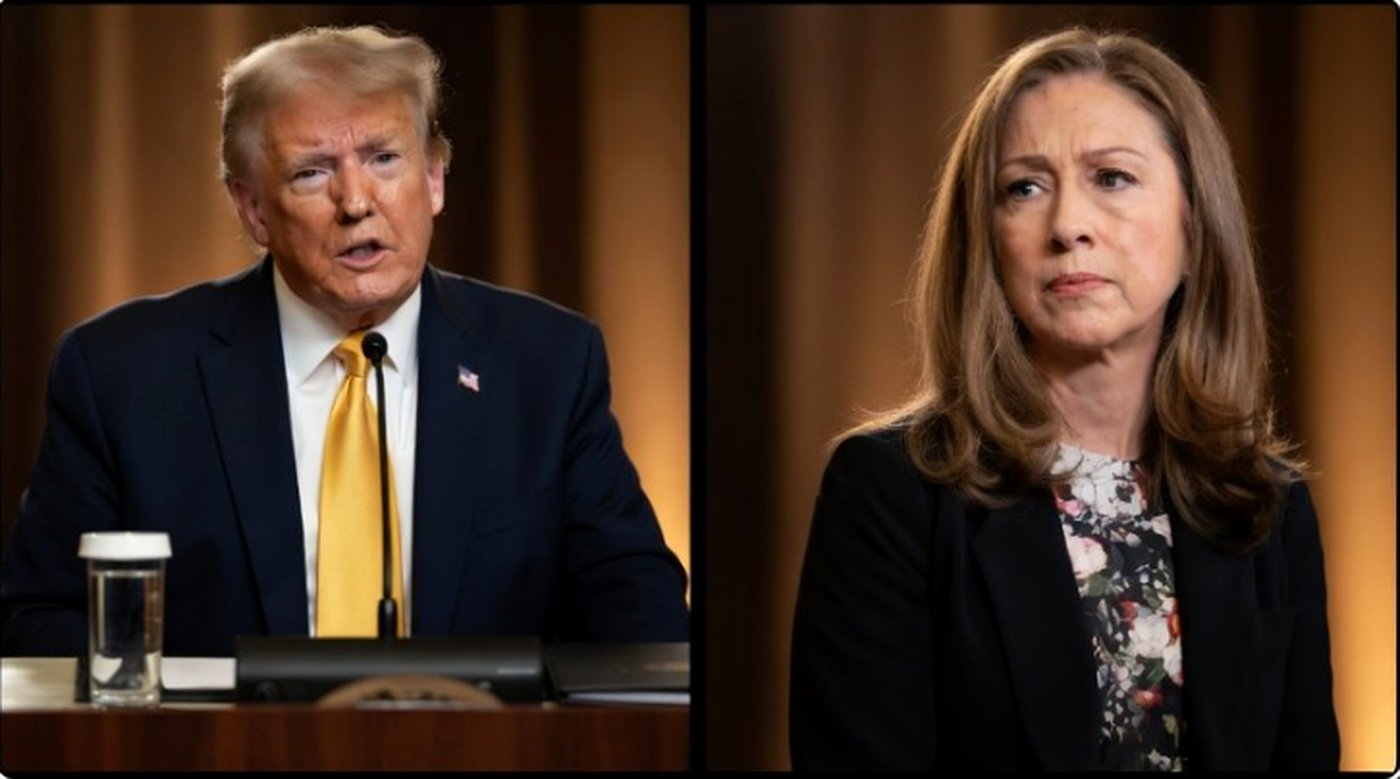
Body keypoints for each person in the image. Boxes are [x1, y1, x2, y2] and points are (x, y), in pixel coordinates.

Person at [1, 26, 688, 656]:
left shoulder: (548, 363)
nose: (356, 201)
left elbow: (639, 610)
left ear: (435, 179)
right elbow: (39, 618)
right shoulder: (123, 375)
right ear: (251, 207)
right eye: (312, 171)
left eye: (384, 158)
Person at [789, 28, 1338, 770]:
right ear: (986, 237)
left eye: (1112, 177)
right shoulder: (890, 492)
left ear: (1193, 216)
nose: (1068, 226)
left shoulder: (1271, 504)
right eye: (1025, 187)